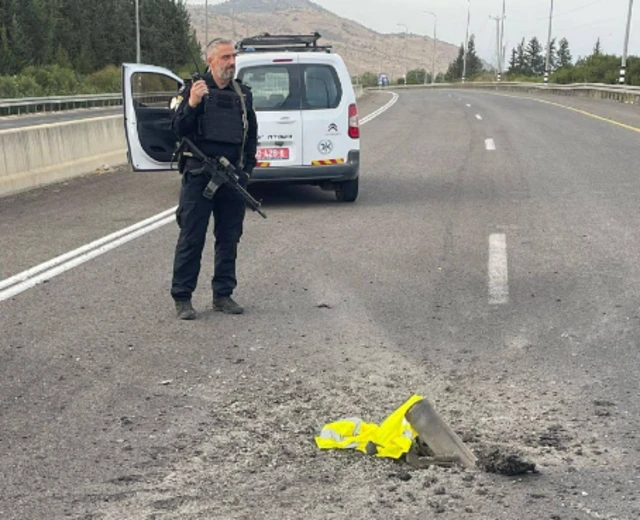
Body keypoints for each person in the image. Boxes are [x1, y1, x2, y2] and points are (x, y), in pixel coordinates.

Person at [170, 37, 258, 320]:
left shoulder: (242, 95)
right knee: (191, 237)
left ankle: (223, 294)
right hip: (198, 177)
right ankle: (183, 298)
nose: (232, 62)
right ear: (210, 61)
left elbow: (251, 135)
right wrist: (193, 103)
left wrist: (247, 171)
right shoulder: (192, 90)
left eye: (233, 57)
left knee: (229, 237)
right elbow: (177, 129)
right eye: (225, 58)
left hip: (231, 178)